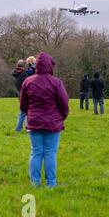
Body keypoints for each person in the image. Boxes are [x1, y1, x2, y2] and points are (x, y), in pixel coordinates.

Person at [20, 52, 69, 187]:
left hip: (34, 122)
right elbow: (64, 104)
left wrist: (29, 114)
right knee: (50, 153)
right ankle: (51, 183)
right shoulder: (56, 83)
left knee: (36, 152)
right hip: (52, 123)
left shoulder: (28, 82)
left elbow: (23, 105)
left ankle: (35, 182)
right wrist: (61, 117)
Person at [12, 60, 29, 131]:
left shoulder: (16, 73)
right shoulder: (24, 74)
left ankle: (21, 128)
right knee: (25, 112)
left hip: (19, 93)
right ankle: (21, 128)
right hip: (24, 94)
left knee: (23, 111)